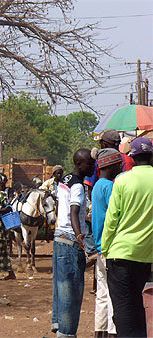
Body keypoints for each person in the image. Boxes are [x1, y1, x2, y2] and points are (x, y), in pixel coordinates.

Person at [101, 137, 153, 337]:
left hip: (120, 254)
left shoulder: (123, 180)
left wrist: (104, 248)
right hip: (144, 256)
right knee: (136, 304)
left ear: (132, 157)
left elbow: (112, 218)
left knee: (123, 309)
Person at [51, 149, 95, 336]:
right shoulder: (77, 186)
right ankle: (67, 333)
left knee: (60, 288)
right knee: (72, 294)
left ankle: (57, 322)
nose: (93, 167)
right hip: (70, 242)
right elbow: (74, 212)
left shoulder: (66, 179)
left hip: (59, 239)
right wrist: (80, 238)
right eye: (89, 164)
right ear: (79, 164)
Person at [90, 148, 123, 338]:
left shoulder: (97, 186)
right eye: (118, 164)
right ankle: (112, 332)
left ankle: (100, 331)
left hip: (99, 245)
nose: (120, 167)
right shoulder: (109, 187)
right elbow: (116, 214)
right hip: (110, 245)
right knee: (113, 293)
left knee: (102, 294)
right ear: (111, 166)